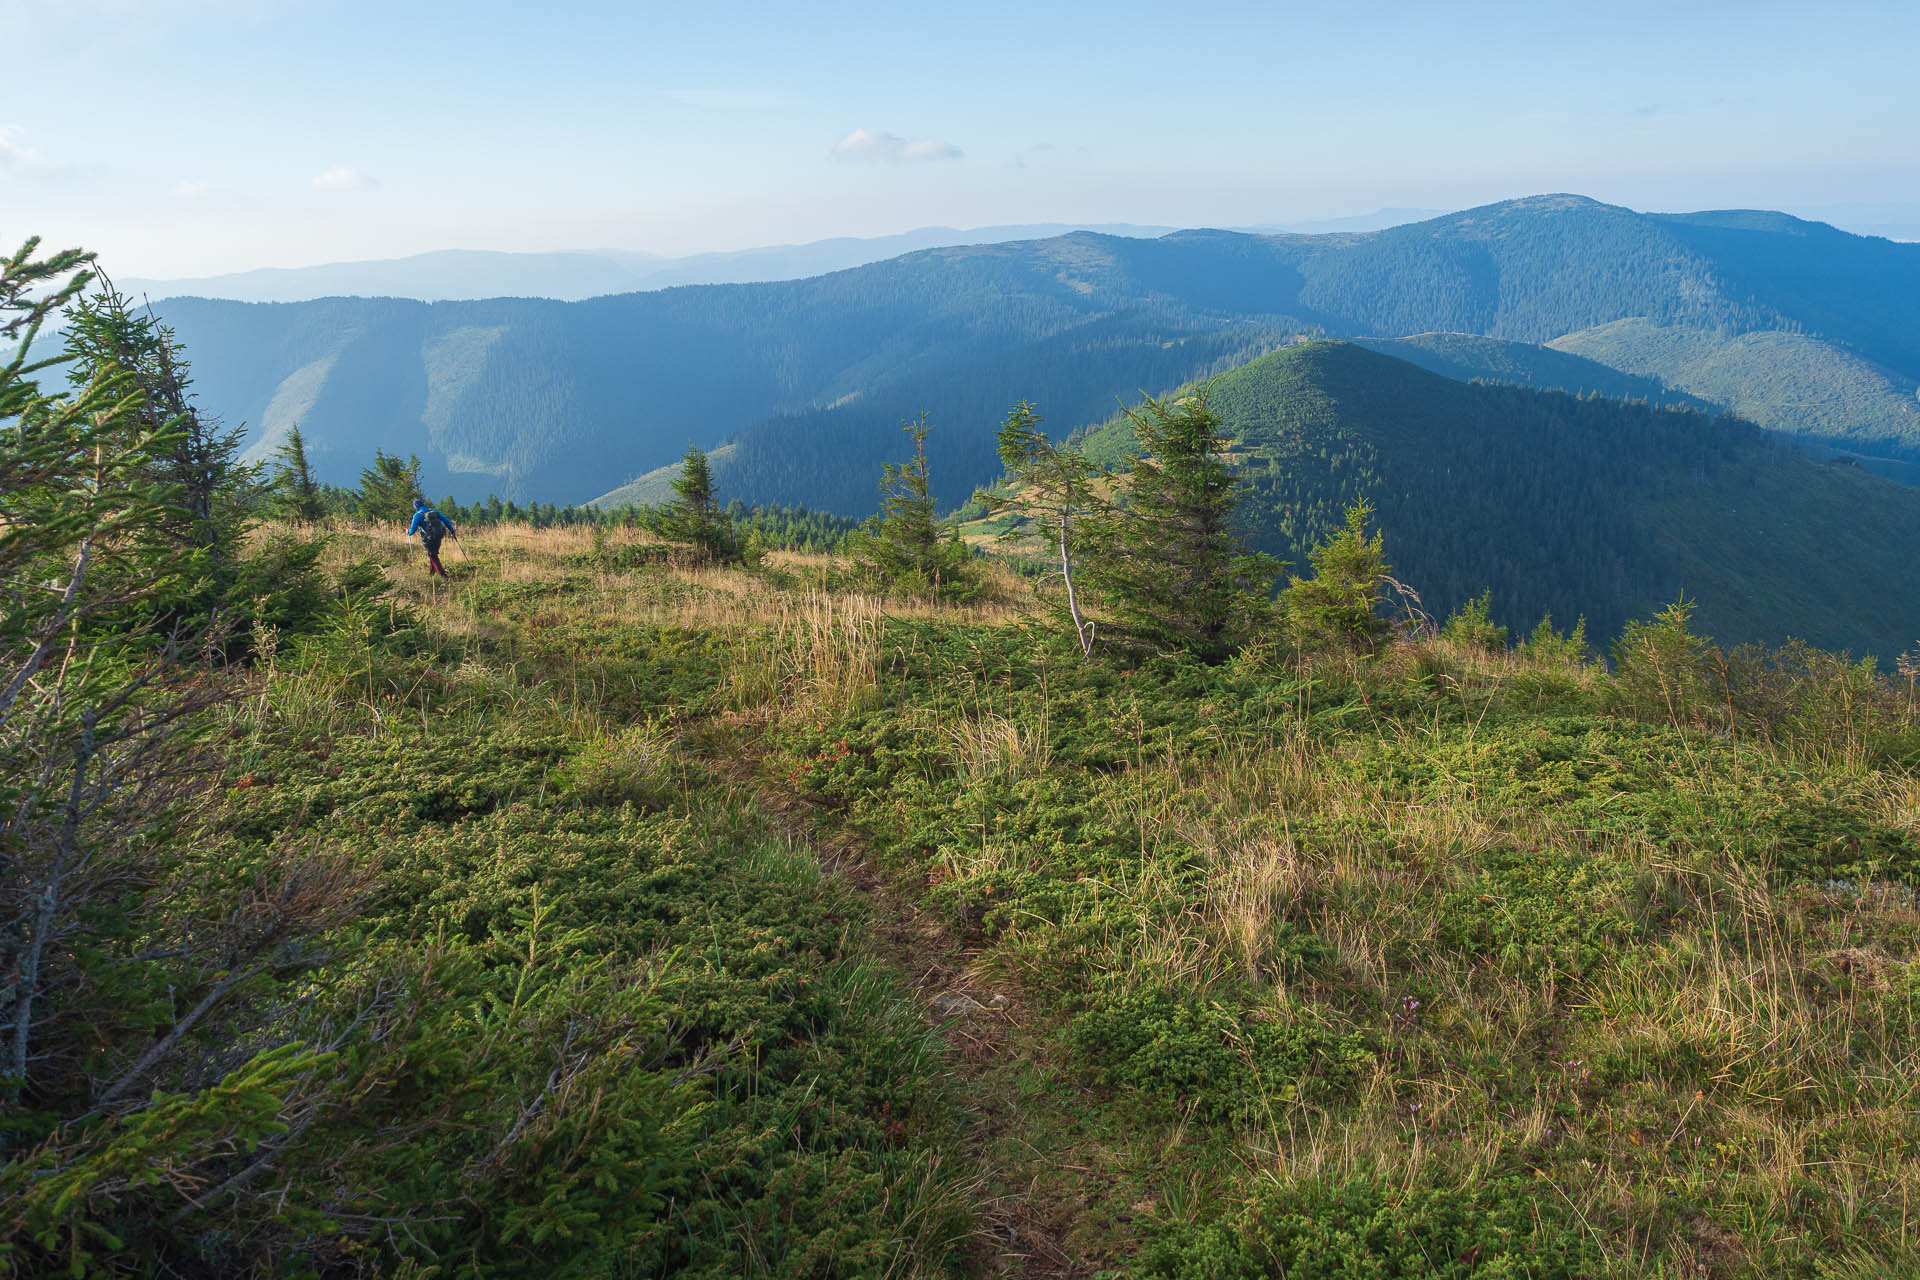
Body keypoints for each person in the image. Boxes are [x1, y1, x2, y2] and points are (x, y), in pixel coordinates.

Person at [407, 497, 456, 577]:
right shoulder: (434, 511)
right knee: (433, 555)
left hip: (428, 539)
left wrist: (408, 532)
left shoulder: (418, 515)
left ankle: (444, 576)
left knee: (433, 556)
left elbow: (412, 530)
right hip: (438, 537)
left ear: (415, 507)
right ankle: (431, 575)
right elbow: (446, 520)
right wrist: (452, 532)